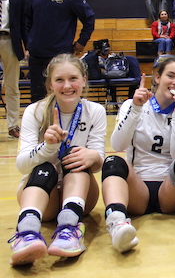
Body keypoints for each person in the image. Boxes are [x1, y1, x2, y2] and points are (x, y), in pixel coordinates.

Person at [102, 57, 175, 252]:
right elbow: (117, 144)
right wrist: (136, 109)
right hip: (138, 188)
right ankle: (117, 223)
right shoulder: (133, 105)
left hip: (170, 189)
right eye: (170, 76)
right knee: (113, 160)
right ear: (157, 77)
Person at [8, 54, 106, 266]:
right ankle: (26, 232)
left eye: (73, 78)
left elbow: (98, 165)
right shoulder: (35, 111)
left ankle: (70, 229)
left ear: (84, 80)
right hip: (43, 195)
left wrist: (94, 156)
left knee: (76, 158)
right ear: (50, 84)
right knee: (45, 166)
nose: (67, 85)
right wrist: (48, 147)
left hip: (81, 195)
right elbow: (21, 164)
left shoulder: (95, 111)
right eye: (59, 80)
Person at [25, 0, 96, 102]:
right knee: (37, 97)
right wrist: (28, 45)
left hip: (61, 55)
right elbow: (26, 22)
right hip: (37, 55)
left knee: (62, 96)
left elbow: (89, 18)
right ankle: (39, 124)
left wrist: (81, 42)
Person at [0, 0, 27, 139]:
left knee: (12, 86)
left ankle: (13, 125)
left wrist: (27, 45)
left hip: (10, 40)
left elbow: (24, 20)